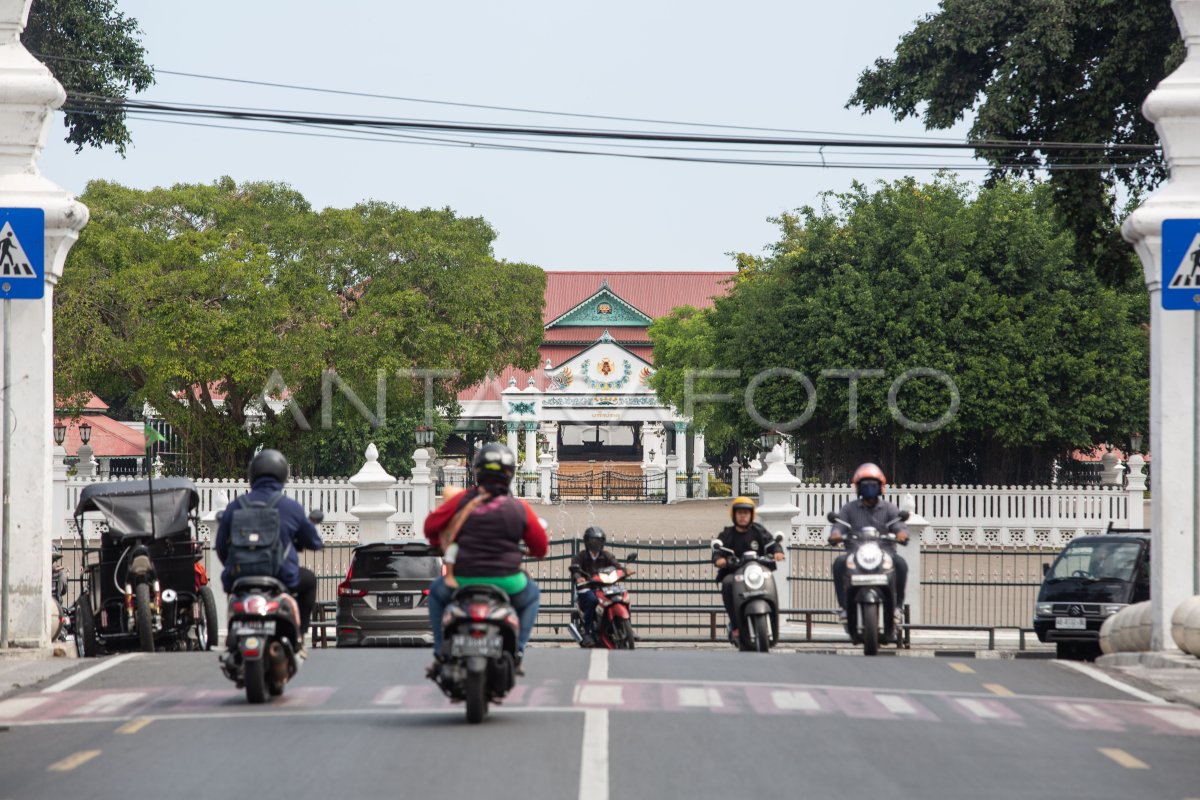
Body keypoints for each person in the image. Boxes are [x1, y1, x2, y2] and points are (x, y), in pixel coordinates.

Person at [424, 443, 547, 675]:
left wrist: (438, 544)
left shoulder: (461, 501)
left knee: (436, 596)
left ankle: (440, 652)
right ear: (510, 474)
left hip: (461, 579)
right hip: (507, 581)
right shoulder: (519, 508)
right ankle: (518, 650)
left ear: (477, 470)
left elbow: (430, 527)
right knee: (532, 595)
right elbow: (540, 547)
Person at [215, 448, 324, 653]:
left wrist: (235, 566)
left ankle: (233, 636)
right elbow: (313, 541)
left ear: (252, 475)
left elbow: (221, 548)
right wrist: (316, 544)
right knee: (309, 579)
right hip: (281, 576)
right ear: (283, 475)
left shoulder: (234, 507)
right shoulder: (291, 508)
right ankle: (300, 634)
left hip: (240, 577)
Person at [828, 463, 909, 623]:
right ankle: (844, 608)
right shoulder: (849, 509)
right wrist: (836, 535)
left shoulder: (889, 508)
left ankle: (897, 607)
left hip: (885, 553)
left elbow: (899, 525)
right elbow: (839, 526)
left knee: (900, 564)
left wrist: (901, 534)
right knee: (838, 563)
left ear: (880, 487)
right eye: (865, 485)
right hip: (855, 554)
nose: (869, 488)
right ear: (858, 487)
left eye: (873, 485)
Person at [712, 496, 784, 640]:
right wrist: (719, 559)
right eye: (740, 513)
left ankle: (774, 621)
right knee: (727, 583)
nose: (743, 516)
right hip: (736, 574)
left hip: (756, 571)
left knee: (769, 578)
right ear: (734, 515)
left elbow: (772, 543)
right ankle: (736, 625)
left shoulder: (758, 531)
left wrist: (777, 551)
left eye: (746, 513)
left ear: (751, 515)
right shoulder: (727, 534)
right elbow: (717, 552)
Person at [570, 526, 628, 646]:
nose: (595, 544)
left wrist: (624, 570)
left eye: (598, 541)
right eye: (592, 541)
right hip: (586, 587)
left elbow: (616, 565)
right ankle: (587, 632)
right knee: (592, 600)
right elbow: (575, 569)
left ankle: (627, 628)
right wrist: (578, 577)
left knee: (623, 597)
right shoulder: (581, 556)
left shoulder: (606, 555)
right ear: (587, 542)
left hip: (604, 586)